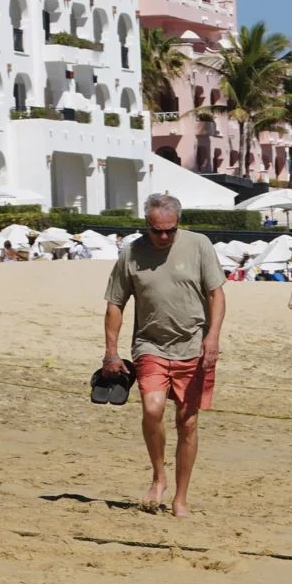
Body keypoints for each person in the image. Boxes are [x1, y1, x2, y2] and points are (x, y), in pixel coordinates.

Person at [100, 193, 226, 517]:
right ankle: (159, 477)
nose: (165, 236)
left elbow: (217, 294)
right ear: (147, 225)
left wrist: (212, 338)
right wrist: (111, 353)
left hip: (193, 345)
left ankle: (180, 498)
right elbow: (115, 303)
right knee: (152, 409)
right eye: (158, 230)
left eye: (170, 230)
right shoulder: (131, 253)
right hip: (150, 345)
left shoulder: (199, 245)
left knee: (188, 422)